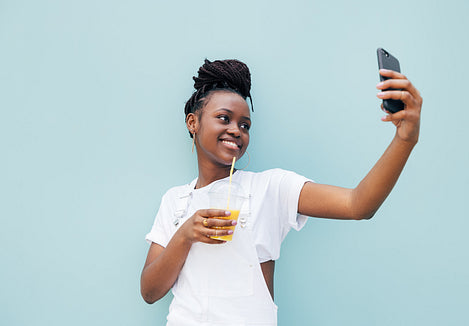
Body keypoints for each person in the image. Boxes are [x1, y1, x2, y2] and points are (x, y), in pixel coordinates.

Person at [141, 59, 423, 325]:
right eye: (224, 118)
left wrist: (405, 139)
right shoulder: (175, 201)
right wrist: (186, 234)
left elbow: (358, 204)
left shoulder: (270, 188)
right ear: (193, 123)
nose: (236, 130)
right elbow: (150, 292)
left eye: (245, 125)